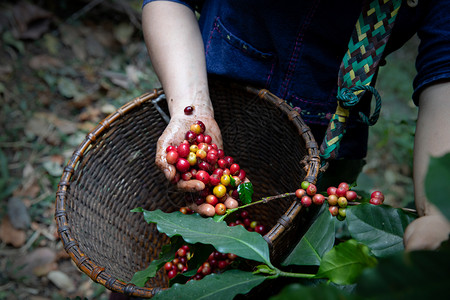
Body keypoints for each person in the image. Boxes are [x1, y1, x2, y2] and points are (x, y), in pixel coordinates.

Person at [141, 0, 450, 251]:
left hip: (327, 139)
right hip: (213, 92)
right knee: (161, 240)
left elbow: (444, 66)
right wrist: (190, 107)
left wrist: (438, 211)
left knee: (280, 255)